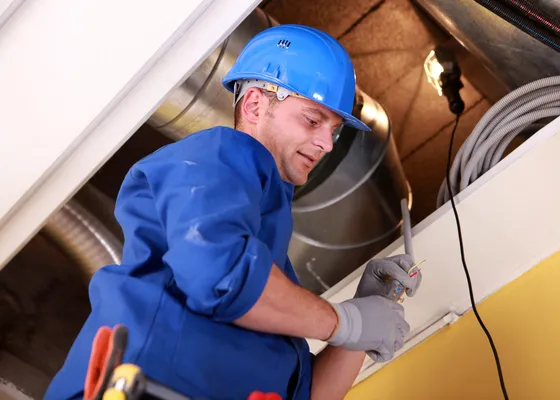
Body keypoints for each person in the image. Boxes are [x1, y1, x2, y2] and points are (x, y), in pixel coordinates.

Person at [44, 23, 422, 400]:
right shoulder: (218, 155)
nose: (326, 143)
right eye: (312, 120)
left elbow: (309, 394)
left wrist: (368, 309)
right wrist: (346, 323)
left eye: (335, 131)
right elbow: (222, 276)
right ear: (256, 103)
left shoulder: (272, 270)